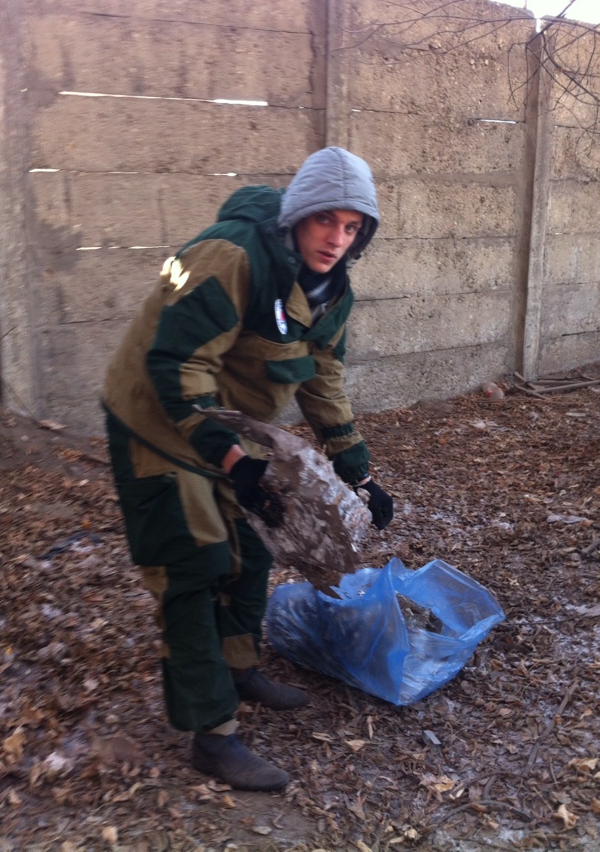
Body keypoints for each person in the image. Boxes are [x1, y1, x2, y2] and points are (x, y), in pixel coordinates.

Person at [102, 146, 394, 792]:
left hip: (223, 424)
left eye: (352, 228)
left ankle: (238, 666)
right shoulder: (230, 258)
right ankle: (212, 734)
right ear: (300, 214)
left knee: (253, 548)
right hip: (154, 415)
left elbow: (323, 378)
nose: (336, 239)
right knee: (195, 563)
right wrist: (236, 463)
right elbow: (176, 366)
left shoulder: (332, 289)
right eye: (326, 221)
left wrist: (360, 472)